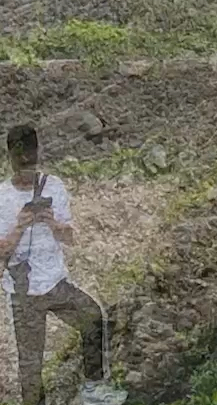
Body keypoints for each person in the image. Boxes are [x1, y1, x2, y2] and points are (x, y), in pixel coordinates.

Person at [0, 124, 127, 405]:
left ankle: (94, 389)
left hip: (56, 283)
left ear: (36, 153)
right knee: (30, 365)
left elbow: (70, 237)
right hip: (24, 291)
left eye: (30, 158)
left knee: (92, 317)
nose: (26, 165)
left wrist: (52, 222)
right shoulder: (2, 197)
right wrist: (20, 226)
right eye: (21, 159)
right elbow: (2, 252)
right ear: (10, 156)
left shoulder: (53, 185)